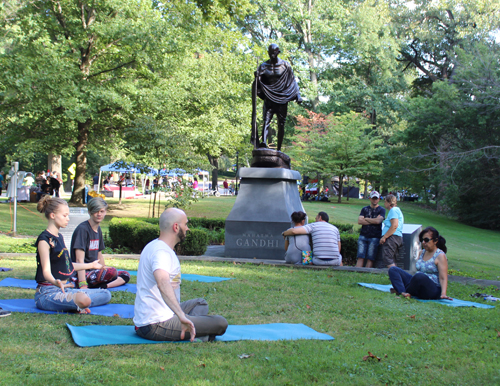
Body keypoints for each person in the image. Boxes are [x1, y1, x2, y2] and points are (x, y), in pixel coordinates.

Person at [134, 208, 228, 342]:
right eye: (186, 224)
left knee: (200, 303)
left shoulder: (155, 245)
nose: (188, 228)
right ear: (176, 227)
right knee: (220, 323)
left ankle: (190, 329)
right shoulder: (161, 252)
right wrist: (181, 315)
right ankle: (192, 330)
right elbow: (162, 282)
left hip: (163, 314)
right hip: (155, 324)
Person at [35, 196, 111, 313]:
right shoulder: (44, 240)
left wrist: (91, 265)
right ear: (53, 215)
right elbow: (46, 272)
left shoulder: (59, 237)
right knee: (84, 299)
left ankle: (77, 303)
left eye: (68, 215)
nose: (68, 219)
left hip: (64, 290)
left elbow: (68, 265)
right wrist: (55, 282)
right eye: (64, 215)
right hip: (47, 293)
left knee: (105, 294)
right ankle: (79, 303)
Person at [71, 197, 130, 289]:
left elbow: (99, 255)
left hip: (95, 272)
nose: (99, 214)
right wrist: (82, 284)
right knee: (112, 272)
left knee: (125, 274)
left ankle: (104, 286)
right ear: (90, 212)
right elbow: (79, 259)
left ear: (105, 212)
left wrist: (104, 269)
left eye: (102, 211)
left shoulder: (98, 229)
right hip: (81, 274)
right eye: (96, 211)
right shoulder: (82, 230)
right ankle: (80, 283)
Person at [251, 43, 302, 151]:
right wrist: (257, 77)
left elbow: (293, 81)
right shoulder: (264, 66)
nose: (271, 55)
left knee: (281, 124)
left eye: (273, 53)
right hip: (269, 98)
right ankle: (263, 143)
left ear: (278, 52)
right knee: (266, 121)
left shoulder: (285, 65)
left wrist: (298, 95)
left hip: (282, 99)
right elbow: (258, 83)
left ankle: (278, 149)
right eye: (270, 53)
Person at [388, 227, 451, 300]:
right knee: (393, 269)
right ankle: (403, 292)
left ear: (435, 241)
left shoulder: (440, 256)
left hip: (431, 289)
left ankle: (400, 290)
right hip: (417, 284)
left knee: (420, 276)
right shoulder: (421, 252)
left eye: (426, 240)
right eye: (422, 240)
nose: (423, 242)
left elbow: (443, 278)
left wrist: (443, 294)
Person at [356, 191, 386, 268]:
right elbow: (360, 221)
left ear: (379, 199)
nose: (374, 200)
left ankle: (366, 272)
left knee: (370, 257)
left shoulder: (382, 210)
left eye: (376, 198)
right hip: (363, 235)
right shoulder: (364, 209)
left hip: (375, 236)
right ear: (370, 198)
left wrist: (366, 219)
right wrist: (374, 220)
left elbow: (378, 221)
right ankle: (357, 272)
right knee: (360, 255)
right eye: (373, 198)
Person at [380, 194, 404, 268]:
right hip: (395, 237)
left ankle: (396, 276)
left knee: (387, 258)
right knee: (392, 259)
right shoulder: (395, 210)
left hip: (392, 238)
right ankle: (394, 277)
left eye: (385, 202)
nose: (384, 204)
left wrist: (384, 237)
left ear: (389, 203)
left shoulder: (393, 210)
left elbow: (394, 226)